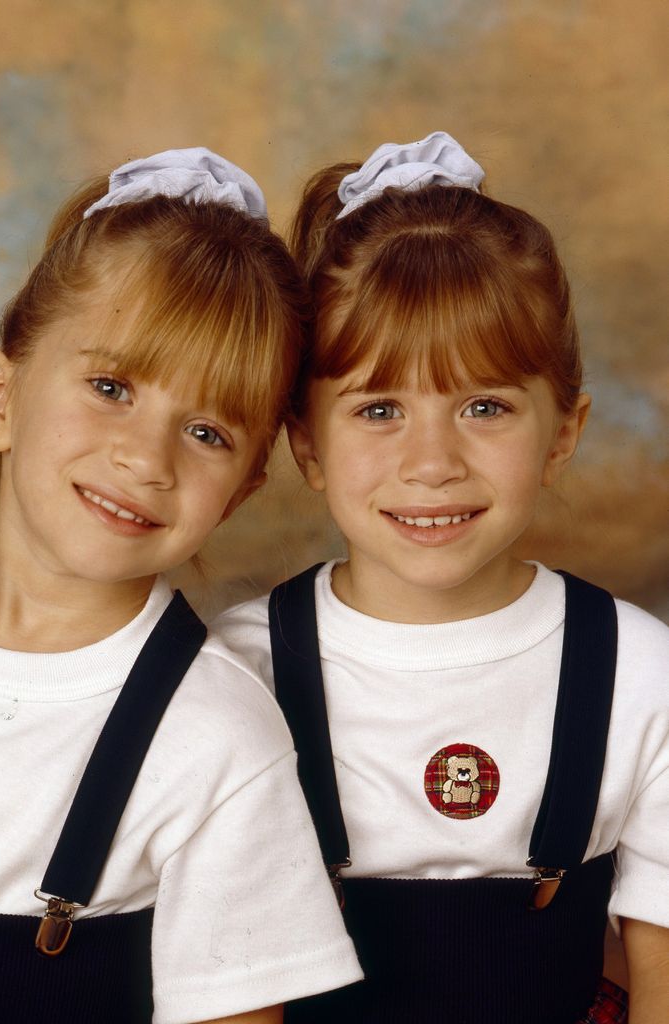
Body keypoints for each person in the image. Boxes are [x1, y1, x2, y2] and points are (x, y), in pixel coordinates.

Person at [0, 148, 363, 1024]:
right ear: (0, 397)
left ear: (241, 492)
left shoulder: (218, 738)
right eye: (111, 386)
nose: (144, 459)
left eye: (206, 431)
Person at [214, 133, 669, 1024]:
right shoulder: (237, 672)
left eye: (485, 407)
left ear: (564, 432)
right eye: (380, 410)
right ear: (306, 442)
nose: (432, 464)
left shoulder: (640, 674)